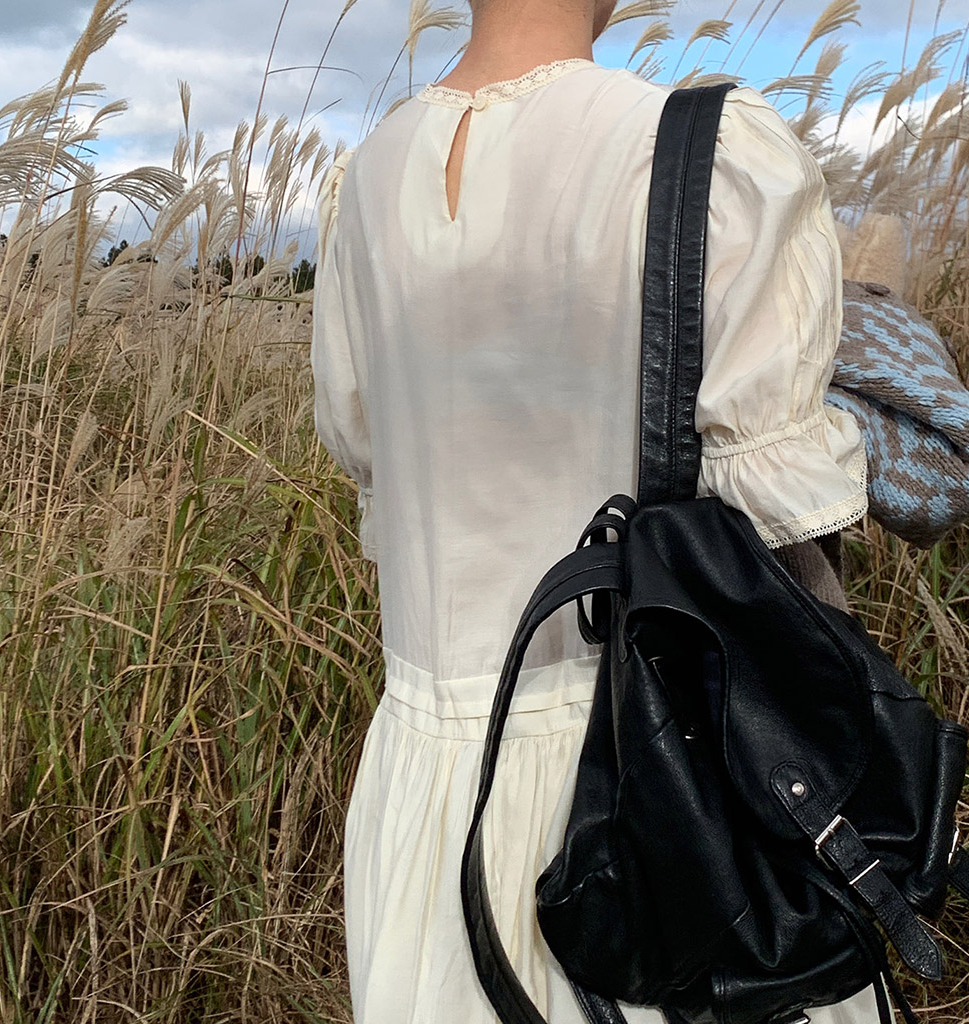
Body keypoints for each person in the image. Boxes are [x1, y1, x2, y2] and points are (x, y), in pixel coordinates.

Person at [310, 0, 883, 1020]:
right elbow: (785, 541)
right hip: (662, 798)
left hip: (429, 793)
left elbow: (373, 465)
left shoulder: (365, 184)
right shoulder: (708, 153)